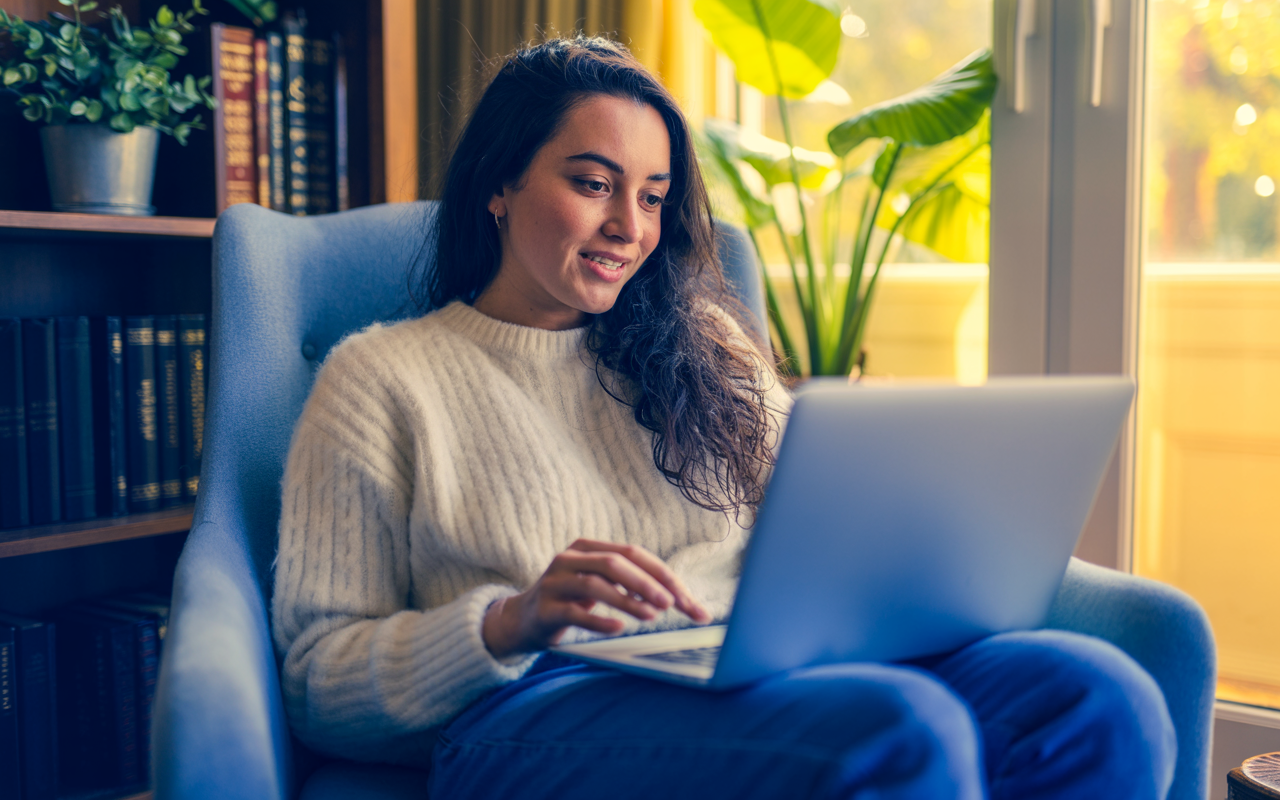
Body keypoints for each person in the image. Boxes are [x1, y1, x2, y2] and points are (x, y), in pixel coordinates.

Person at [271, 36, 1176, 799]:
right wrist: (512, 619)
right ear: (497, 187)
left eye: (655, 196)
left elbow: (808, 531)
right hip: (532, 702)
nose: (631, 224)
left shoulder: (703, 343)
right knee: (899, 730)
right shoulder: (382, 378)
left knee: (1100, 695)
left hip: (742, 662)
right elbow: (316, 678)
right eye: (593, 183)